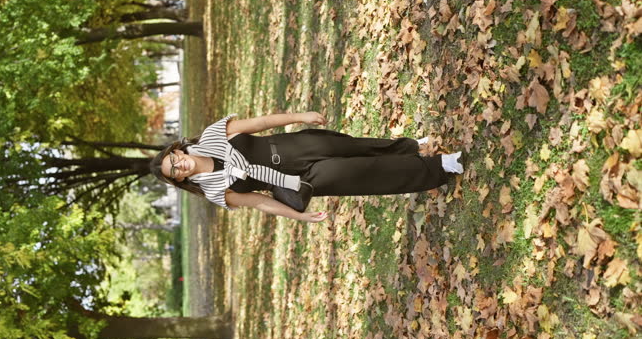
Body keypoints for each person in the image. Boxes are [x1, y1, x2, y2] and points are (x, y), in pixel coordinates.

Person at [150, 112, 465, 223]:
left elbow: (260, 123)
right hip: (296, 180)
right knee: (361, 173)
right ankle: (441, 166)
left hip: (295, 147)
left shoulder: (213, 135)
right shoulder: (214, 190)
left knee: (356, 147)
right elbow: (259, 202)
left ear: (177, 151)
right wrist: (298, 215)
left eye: (173, 160)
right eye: (174, 172)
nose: (179, 166)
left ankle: (409, 147)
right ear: (179, 180)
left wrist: (300, 116)